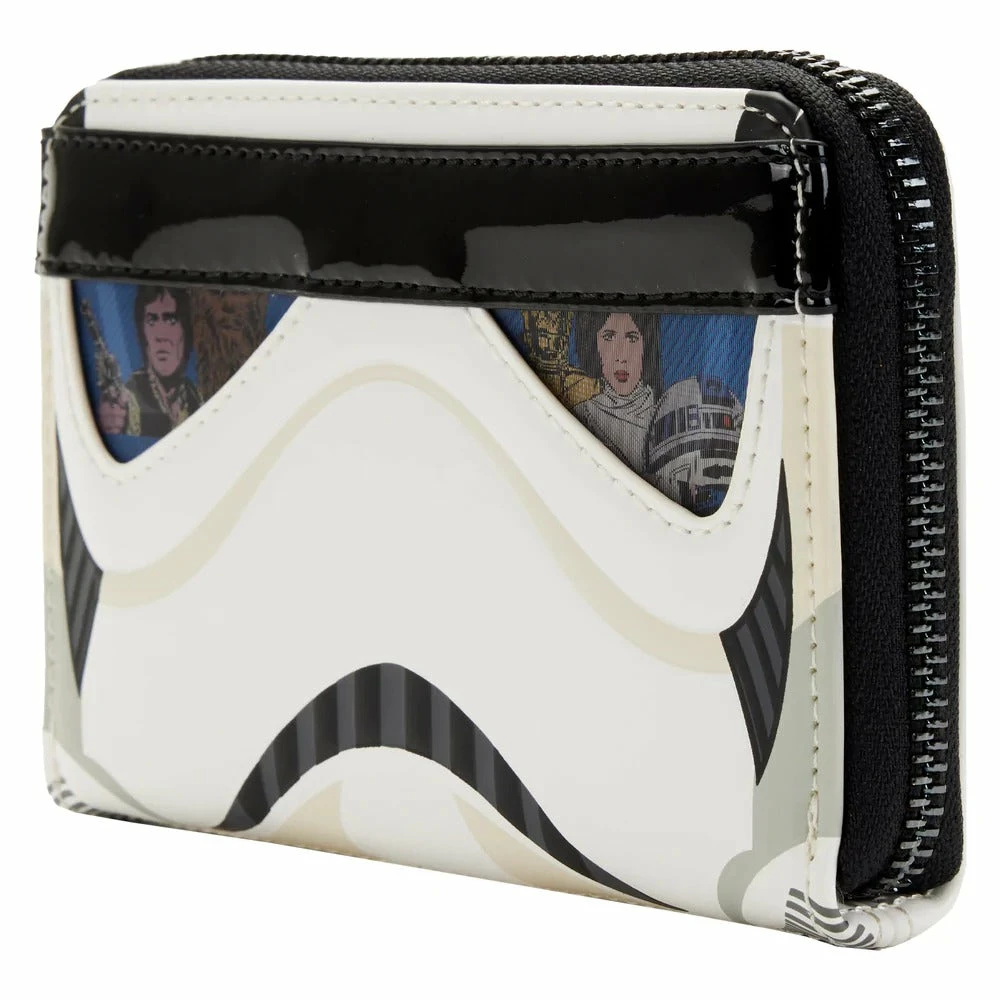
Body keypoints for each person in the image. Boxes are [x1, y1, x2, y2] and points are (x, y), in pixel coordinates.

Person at [98, 286, 203, 439]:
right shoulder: (128, 402)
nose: (160, 336)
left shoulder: (197, 396)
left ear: (186, 331)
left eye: (171, 320)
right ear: (143, 333)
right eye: (152, 321)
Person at [572, 312, 660, 472]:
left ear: (646, 345)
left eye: (632, 338)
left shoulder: (666, 413)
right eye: (609, 337)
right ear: (594, 345)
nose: (621, 356)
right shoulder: (579, 415)